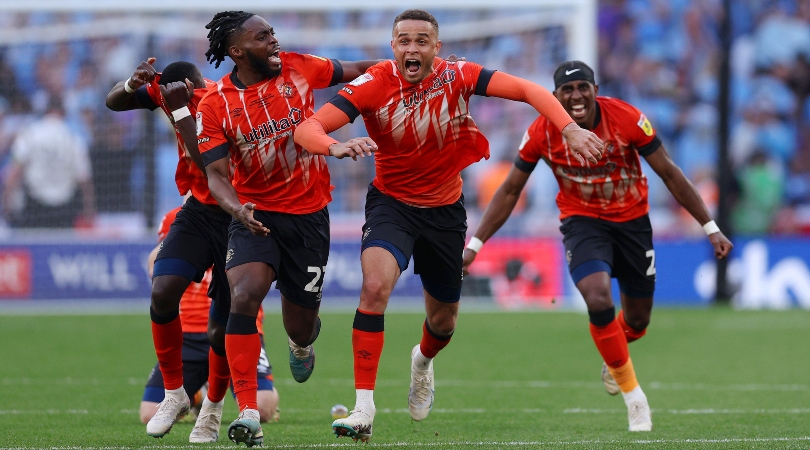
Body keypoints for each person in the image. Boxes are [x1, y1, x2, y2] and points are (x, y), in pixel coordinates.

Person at [294, 9, 604, 442]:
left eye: (422, 41)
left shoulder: (459, 75)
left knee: (443, 322)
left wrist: (568, 128)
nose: (412, 48)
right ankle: (363, 408)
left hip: (445, 210)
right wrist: (335, 145)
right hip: (392, 205)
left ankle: (422, 361)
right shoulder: (374, 83)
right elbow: (306, 128)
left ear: (436, 48)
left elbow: (529, 89)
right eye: (404, 40)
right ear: (393, 46)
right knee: (374, 287)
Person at [462, 61, 734, 431]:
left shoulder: (628, 119)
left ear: (595, 88)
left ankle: (614, 357)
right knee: (597, 296)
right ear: (555, 96)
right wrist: (475, 244)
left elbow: (670, 172)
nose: (575, 96)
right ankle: (634, 397)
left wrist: (710, 227)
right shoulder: (542, 131)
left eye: (582, 88)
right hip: (582, 223)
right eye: (566, 91)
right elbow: (510, 189)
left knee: (637, 321)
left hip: (633, 223)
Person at [192, 11, 380, 447]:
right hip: (254, 218)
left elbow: (359, 72)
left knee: (300, 326)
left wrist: (406, 68)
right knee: (243, 296)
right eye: (263, 37)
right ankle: (249, 412)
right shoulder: (215, 104)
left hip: (310, 217)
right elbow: (216, 174)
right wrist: (237, 210)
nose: (274, 41)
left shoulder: (299, 66)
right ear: (237, 51)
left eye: (273, 33)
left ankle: (301, 345)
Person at [105, 60, 234, 442]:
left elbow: (209, 163)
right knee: (163, 290)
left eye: (182, 97)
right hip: (198, 210)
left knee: (222, 327)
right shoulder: (170, 91)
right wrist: (132, 83)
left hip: (237, 212)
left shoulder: (219, 100)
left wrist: (179, 109)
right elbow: (113, 102)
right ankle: (175, 394)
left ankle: (211, 409)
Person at [140, 206, 280, 427]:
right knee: (149, 413)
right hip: (189, 335)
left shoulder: (252, 211)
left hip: (234, 327)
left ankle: (249, 397)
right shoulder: (179, 217)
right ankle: (194, 395)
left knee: (263, 408)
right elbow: (156, 259)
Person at [3, 96, 96, 228]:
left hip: (34, 208)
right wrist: (89, 210)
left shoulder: (29, 134)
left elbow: (14, 172)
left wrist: (7, 203)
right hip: (64, 209)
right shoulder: (73, 138)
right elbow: (84, 179)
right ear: (64, 113)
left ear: (45, 112)